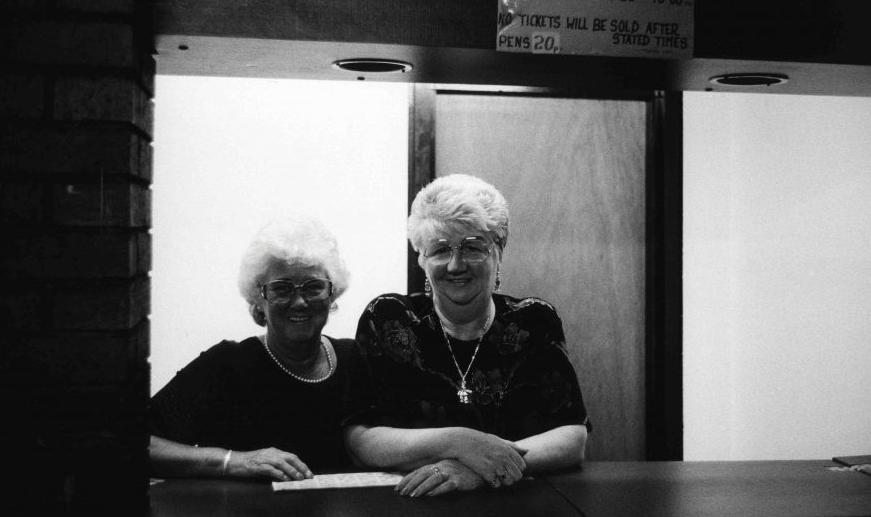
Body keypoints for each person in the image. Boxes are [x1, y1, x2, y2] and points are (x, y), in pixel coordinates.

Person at [345, 174, 590, 497]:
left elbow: (572, 437)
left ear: (499, 250)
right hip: (410, 507)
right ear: (421, 257)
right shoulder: (389, 319)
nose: (456, 264)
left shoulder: (534, 321)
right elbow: (360, 439)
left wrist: (481, 468)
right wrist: (460, 442)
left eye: (473, 247)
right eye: (440, 249)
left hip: (517, 508)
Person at [148, 216, 358, 481]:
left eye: (313, 287)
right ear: (259, 300)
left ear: (332, 294)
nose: (300, 302)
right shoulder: (226, 366)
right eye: (281, 289)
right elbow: (137, 444)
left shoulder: (356, 361)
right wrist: (231, 461)